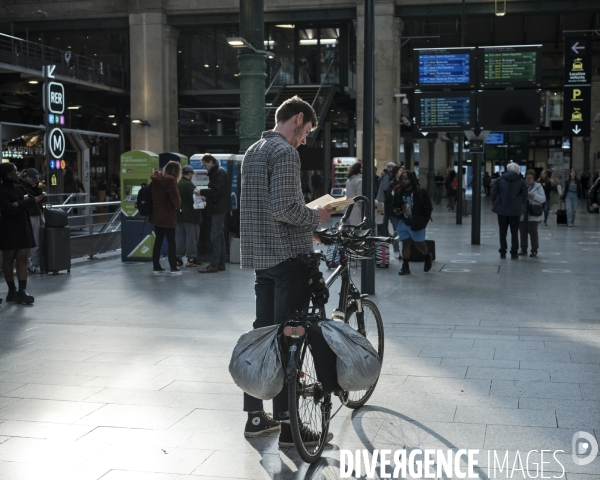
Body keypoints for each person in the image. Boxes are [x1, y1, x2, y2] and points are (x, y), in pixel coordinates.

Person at [239, 95, 332, 445]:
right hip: (287, 260)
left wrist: (305, 225)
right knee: (290, 339)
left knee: (263, 337)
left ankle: (256, 416)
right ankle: (291, 427)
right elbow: (284, 208)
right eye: (306, 131)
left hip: (261, 261)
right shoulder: (284, 153)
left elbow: (266, 210)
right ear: (297, 119)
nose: (304, 139)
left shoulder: (253, 151)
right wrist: (316, 216)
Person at [0, 163, 42, 304]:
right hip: (8, 228)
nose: (18, 173)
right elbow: (7, 209)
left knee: (23, 257)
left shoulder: (20, 187)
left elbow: (34, 200)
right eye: (16, 171)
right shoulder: (2, 190)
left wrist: (18, 204)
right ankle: (12, 289)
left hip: (22, 226)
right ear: (8, 175)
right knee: (9, 258)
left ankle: (22, 290)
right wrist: (23, 203)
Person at [392, 170, 433, 276]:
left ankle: (427, 256)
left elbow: (428, 207)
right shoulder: (399, 192)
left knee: (419, 243)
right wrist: (397, 211)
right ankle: (405, 267)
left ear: (411, 180)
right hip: (404, 222)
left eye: (406, 179)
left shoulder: (420, 192)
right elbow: (395, 205)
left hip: (417, 222)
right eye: (402, 179)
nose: (404, 181)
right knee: (406, 243)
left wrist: (424, 221)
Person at [198, 154, 231, 273]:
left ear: (211, 162)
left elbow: (216, 190)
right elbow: (219, 192)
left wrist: (201, 191)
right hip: (220, 207)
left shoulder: (219, 173)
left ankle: (214, 265)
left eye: (205, 164)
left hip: (218, 208)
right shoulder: (219, 172)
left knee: (215, 236)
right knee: (219, 236)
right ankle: (220, 263)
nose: (204, 167)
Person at [150, 161, 182, 274]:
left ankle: (156, 265)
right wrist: (178, 203)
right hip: (168, 214)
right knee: (171, 241)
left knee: (158, 240)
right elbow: (176, 199)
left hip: (157, 214)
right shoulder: (170, 180)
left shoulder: (156, 179)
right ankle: (173, 266)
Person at [491, 162, 528, 260]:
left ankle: (503, 251)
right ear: (517, 171)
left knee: (502, 231)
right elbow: (525, 196)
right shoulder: (521, 181)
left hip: (501, 209)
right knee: (514, 231)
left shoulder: (499, 179)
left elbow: (493, 193)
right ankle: (514, 253)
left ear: (507, 170)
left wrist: (499, 201)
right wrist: (518, 202)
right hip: (515, 210)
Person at [175, 165, 202, 268]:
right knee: (192, 238)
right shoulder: (189, 185)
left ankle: (177, 258)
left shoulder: (178, 184)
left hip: (179, 215)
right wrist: (203, 198)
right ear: (190, 173)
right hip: (191, 216)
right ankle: (191, 259)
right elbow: (195, 199)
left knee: (180, 238)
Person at [20, 169, 44, 273]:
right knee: (34, 240)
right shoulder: (21, 186)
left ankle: (32, 264)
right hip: (31, 214)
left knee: (33, 240)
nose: (35, 182)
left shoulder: (27, 186)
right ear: (28, 177)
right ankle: (33, 264)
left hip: (35, 213)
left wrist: (36, 189)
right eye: (33, 179)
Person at [518, 170, 546, 258]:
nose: (529, 180)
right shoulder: (521, 186)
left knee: (533, 232)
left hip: (534, 213)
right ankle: (523, 250)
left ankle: (534, 250)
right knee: (523, 232)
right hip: (522, 213)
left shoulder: (538, 187)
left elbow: (543, 199)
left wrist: (534, 196)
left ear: (534, 179)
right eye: (527, 178)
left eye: (531, 178)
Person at [384, 165, 403, 258]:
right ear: (396, 173)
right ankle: (396, 250)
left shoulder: (404, 183)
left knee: (403, 230)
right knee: (396, 230)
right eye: (400, 171)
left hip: (403, 211)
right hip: (394, 212)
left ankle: (403, 250)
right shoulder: (392, 184)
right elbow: (389, 198)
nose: (402, 173)